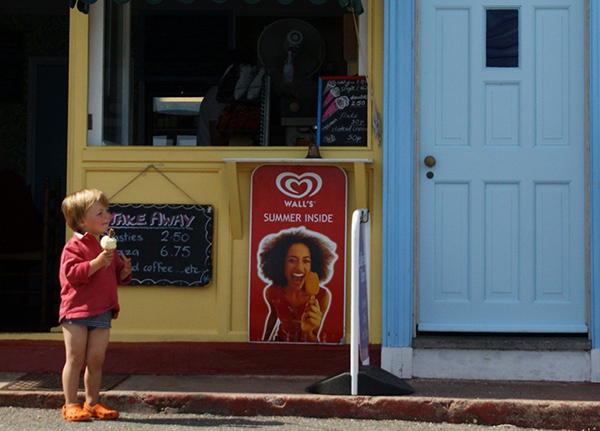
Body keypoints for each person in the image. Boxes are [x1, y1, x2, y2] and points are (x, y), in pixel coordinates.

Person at [58, 188, 132, 422]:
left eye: (107, 211)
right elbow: (73, 274)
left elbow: (117, 274)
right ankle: (70, 403)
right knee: (75, 358)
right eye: (99, 213)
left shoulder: (107, 244)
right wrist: (97, 262)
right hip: (76, 311)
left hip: (102, 309)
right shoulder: (74, 246)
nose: (107, 216)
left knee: (96, 359)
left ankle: (92, 402)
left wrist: (125, 271)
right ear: (81, 221)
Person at [258, 227, 337, 342]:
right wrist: (264, 341)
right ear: (281, 264)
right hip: (279, 343)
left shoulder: (322, 296)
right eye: (292, 260)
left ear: (313, 265)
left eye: (306, 261)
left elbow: (314, 339)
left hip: (305, 349)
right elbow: (273, 315)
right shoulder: (272, 292)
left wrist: (308, 331)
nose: (299, 268)